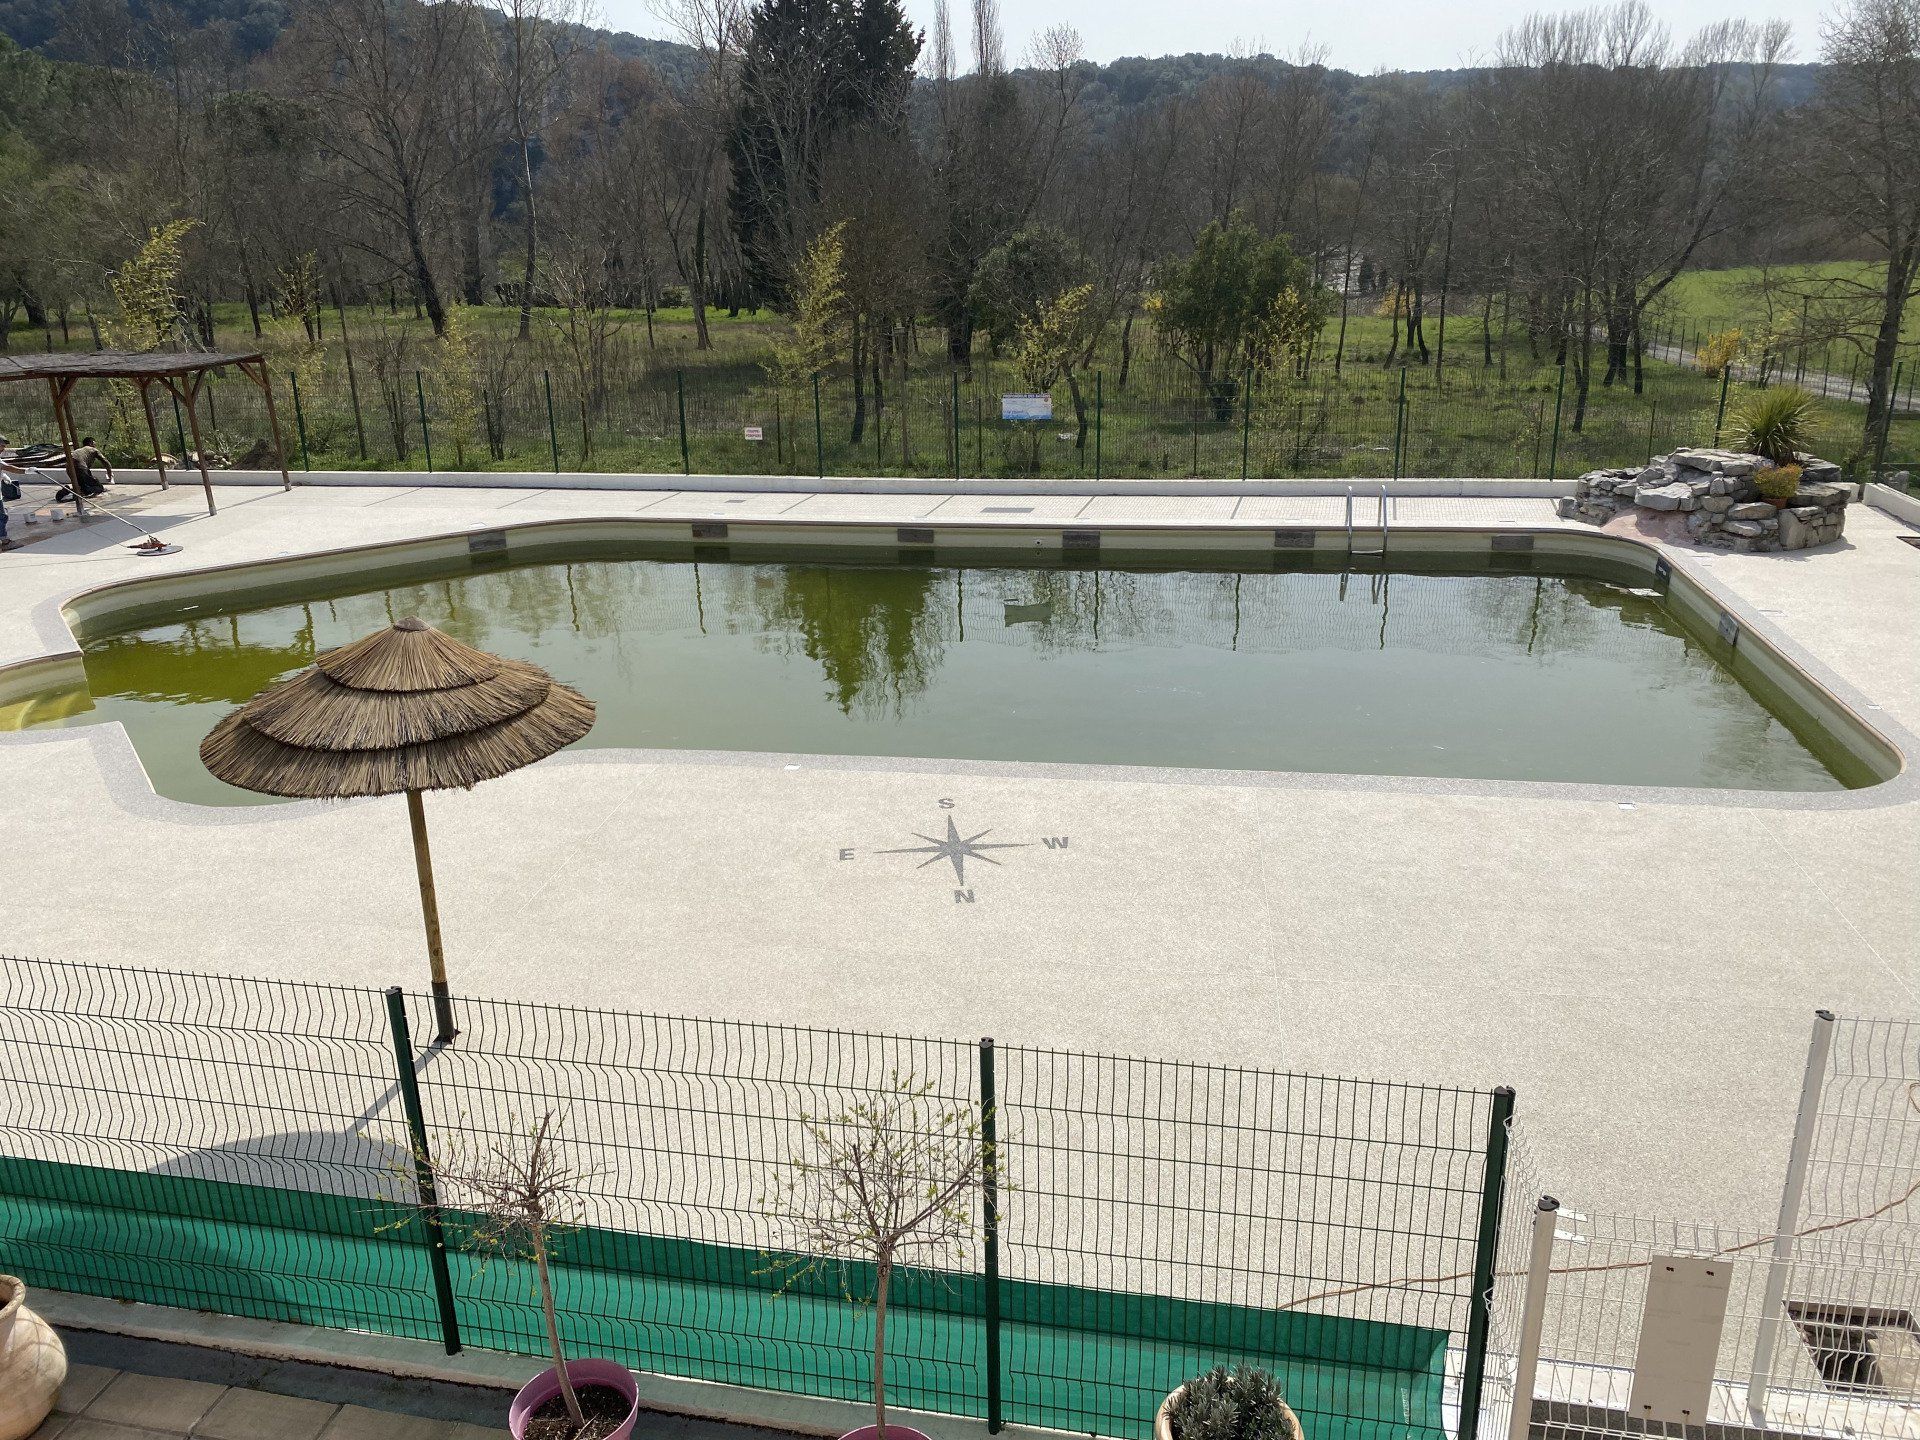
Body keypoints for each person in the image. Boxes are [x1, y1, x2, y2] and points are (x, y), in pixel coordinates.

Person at [54, 436, 111, 502]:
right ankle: (81, 492)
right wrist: (110, 475)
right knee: (99, 488)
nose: (95, 445)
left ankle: (68, 491)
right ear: (91, 443)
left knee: (80, 487)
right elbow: (106, 462)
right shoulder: (93, 449)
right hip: (81, 467)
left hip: (69, 468)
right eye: (94, 443)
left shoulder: (80, 450)